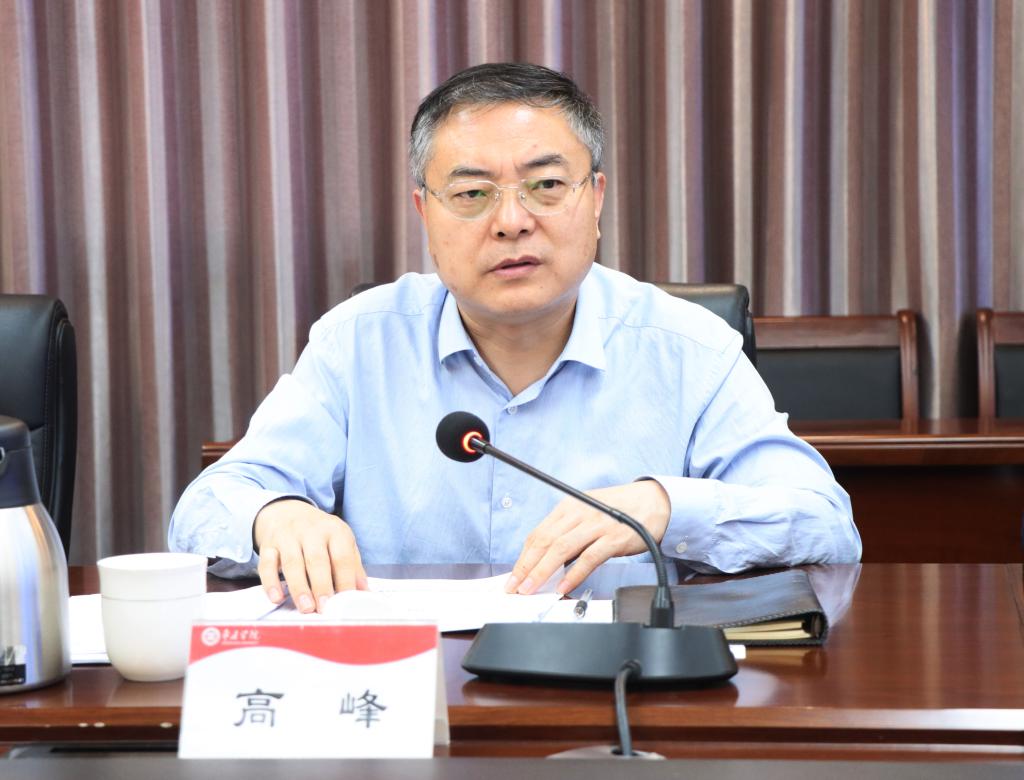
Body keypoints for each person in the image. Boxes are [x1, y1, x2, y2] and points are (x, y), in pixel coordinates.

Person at [169, 62, 861, 614]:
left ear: (596, 199)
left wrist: (666, 506)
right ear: (425, 213)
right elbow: (207, 505)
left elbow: (826, 524)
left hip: (617, 689)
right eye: (472, 194)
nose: (511, 221)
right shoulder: (358, 343)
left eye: (546, 185)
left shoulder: (689, 349)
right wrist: (274, 515)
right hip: (415, 694)